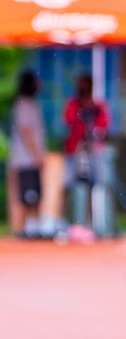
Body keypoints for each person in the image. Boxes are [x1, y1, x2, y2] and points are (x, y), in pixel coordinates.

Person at [63, 73, 110, 231]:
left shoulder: (97, 106)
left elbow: (103, 126)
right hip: (75, 150)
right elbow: (69, 120)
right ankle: (67, 223)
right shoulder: (73, 104)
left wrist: (93, 126)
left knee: (92, 185)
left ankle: (89, 225)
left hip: (92, 151)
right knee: (69, 185)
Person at [8, 70, 46, 237]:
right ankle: (23, 229)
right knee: (28, 197)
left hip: (31, 159)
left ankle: (34, 228)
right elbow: (26, 131)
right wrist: (36, 155)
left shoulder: (31, 104)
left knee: (35, 196)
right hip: (26, 160)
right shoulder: (23, 104)